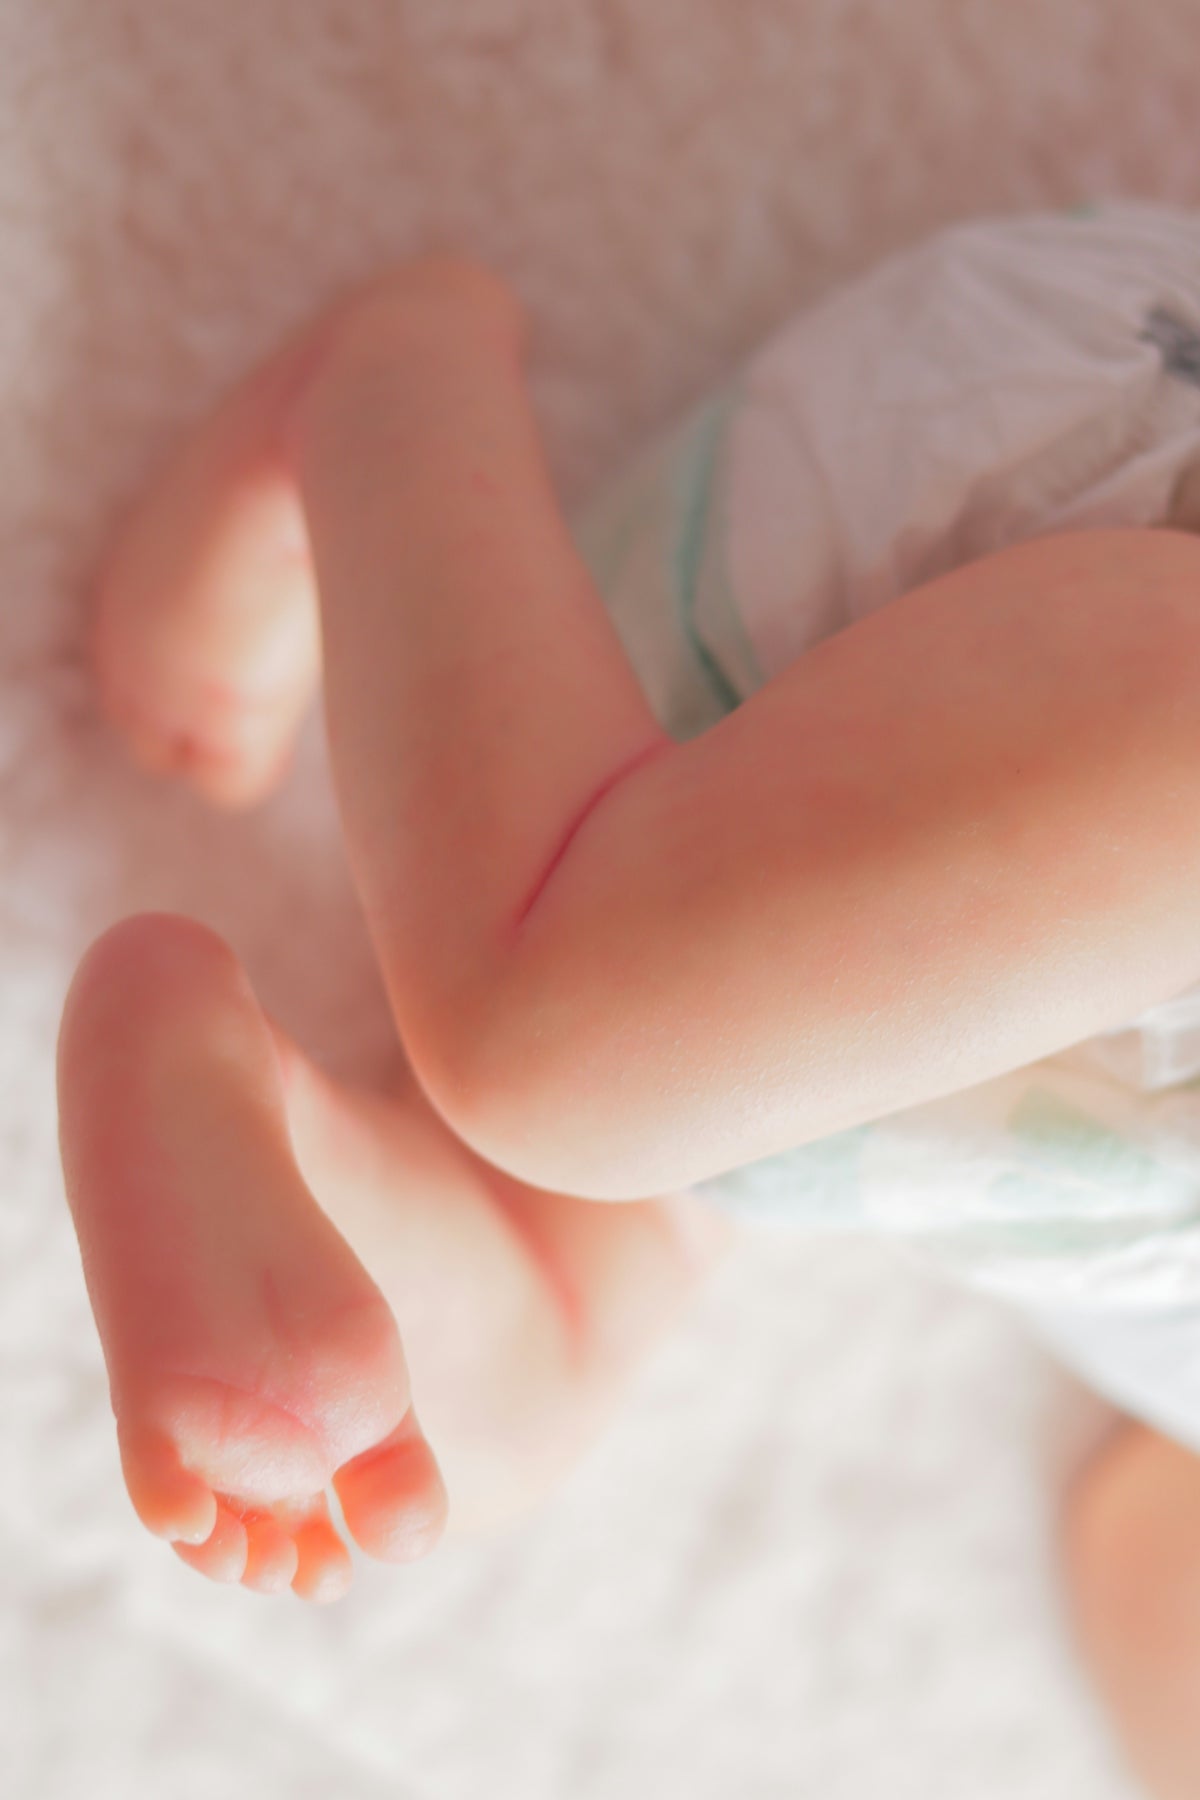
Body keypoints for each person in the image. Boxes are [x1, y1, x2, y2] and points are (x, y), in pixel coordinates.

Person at [55, 202, 1200, 1798]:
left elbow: (1143, 1554)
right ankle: (385, 401)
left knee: (475, 1409)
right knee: (555, 1055)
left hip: (981, 1073)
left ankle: (237, 1095)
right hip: (1117, 626)